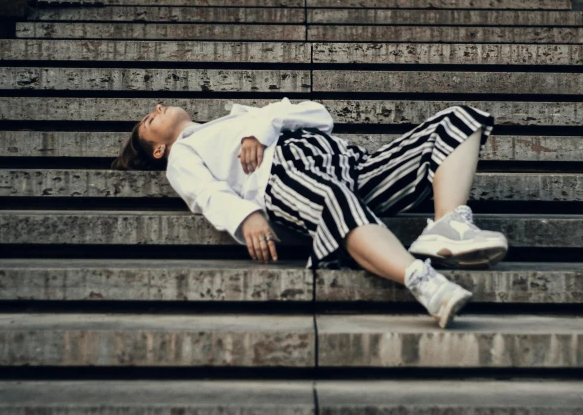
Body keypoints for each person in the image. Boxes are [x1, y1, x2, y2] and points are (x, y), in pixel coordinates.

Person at [112, 98, 508, 328]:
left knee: (457, 120)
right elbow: (206, 193)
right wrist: (245, 216)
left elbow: (319, 114)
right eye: (151, 119)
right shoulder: (183, 153)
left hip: (351, 164)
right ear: (158, 149)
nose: (159, 107)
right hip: (283, 176)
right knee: (335, 198)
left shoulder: (238, 118)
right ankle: (422, 281)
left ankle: (448, 223)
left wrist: (259, 128)